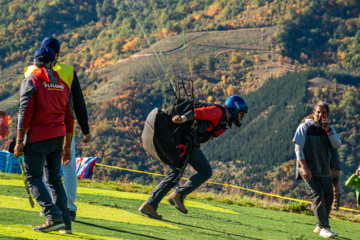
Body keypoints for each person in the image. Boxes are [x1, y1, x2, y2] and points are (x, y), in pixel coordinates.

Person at [139, 95, 248, 219]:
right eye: (241, 114)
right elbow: (198, 113)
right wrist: (184, 118)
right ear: (234, 109)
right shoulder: (218, 112)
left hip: (186, 144)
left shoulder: (223, 120)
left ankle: (151, 204)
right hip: (186, 144)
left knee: (175, 174)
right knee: (205, 171)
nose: (242, 117)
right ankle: (177, 195)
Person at [24, 37, 91, 222]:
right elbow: (78, 101)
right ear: (58, 54)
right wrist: (85, 129)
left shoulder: (30, 70)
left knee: (43, 171)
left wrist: (21, 133)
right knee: (67, 169)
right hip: (64, 129)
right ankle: (68, 209)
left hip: (37, 129)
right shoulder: (68, 70)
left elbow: (26, 104)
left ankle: (50, 207)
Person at [14, 47, 74, 233]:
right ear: (52, 63)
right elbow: (69, 117)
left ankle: (52, 216)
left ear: (35, 62)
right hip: (58, 137)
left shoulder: (31, 81)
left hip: (38, 137)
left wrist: (19, 140)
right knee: (55, 179)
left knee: (34, 177)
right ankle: (66, 223)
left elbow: (25, 112)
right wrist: (67, 145)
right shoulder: (63, 85)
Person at [293, 101, 342, 238]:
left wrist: (328, 131)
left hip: (324, 171)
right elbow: (298, 148)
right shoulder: (305, 127)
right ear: (314, 113)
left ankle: (320, 225)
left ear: (327, 114)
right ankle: (325, 228)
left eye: (324, 112)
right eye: (318, 112)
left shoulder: (329, 129)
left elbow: (337, 145)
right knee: (318, 196)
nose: (321, 115)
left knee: (328, 197)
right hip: (308, 170)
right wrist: (304, 168)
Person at [330, 146, 341, 211]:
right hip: (334, 165)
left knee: (336, 189)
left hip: (334, 166)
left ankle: (334, 208)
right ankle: (333, 208)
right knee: (336, 189)